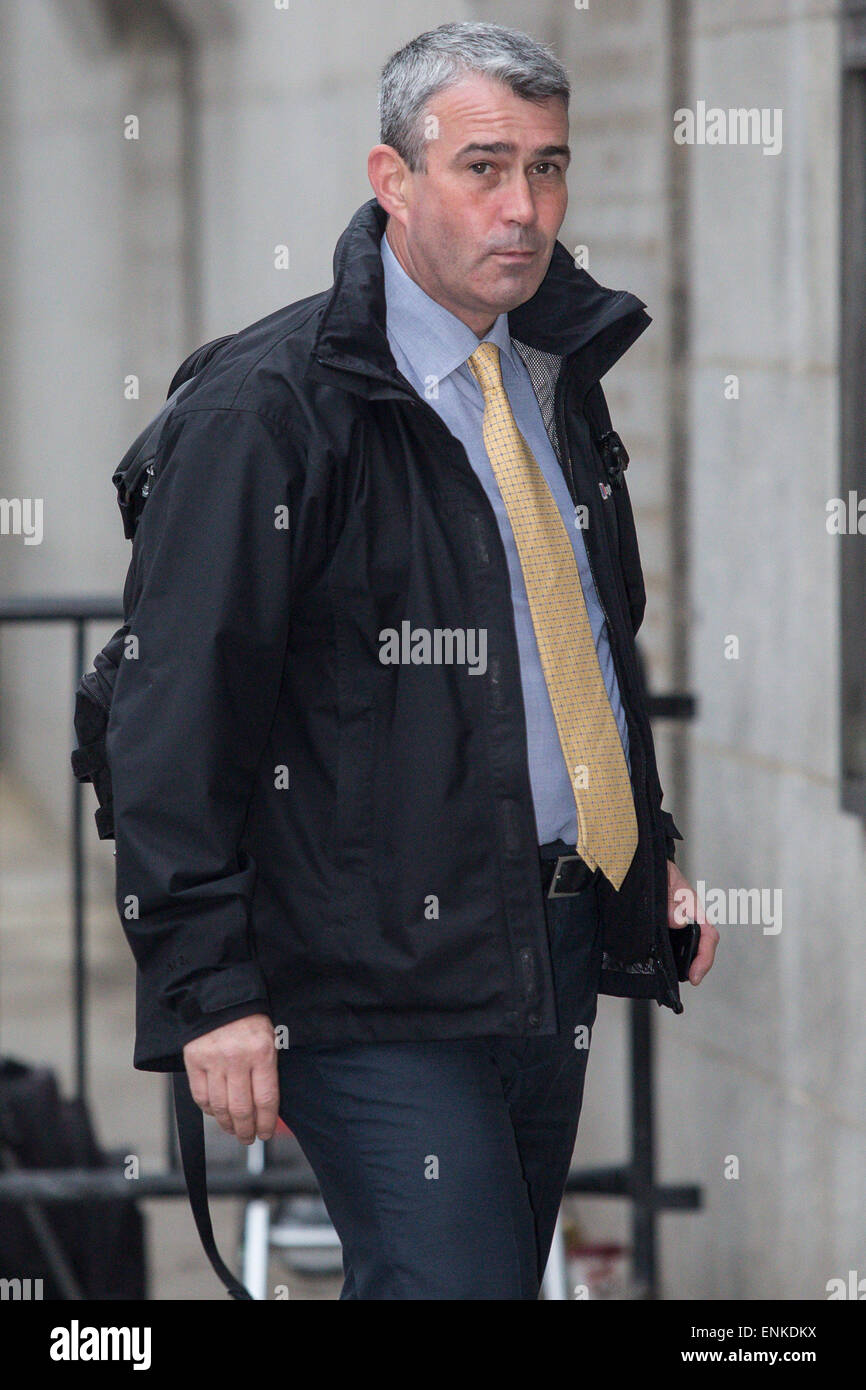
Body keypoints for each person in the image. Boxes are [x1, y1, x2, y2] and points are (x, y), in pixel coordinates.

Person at [107, 20, 718, 1300]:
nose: (524, 207)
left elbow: (584, 644)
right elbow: (173, 716)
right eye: (483, 168)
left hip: (543, 944)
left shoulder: (552, 373)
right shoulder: (269, 409)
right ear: (392, 179)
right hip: (364, 972)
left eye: (546, 169)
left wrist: (640, 847)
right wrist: (206, 989)